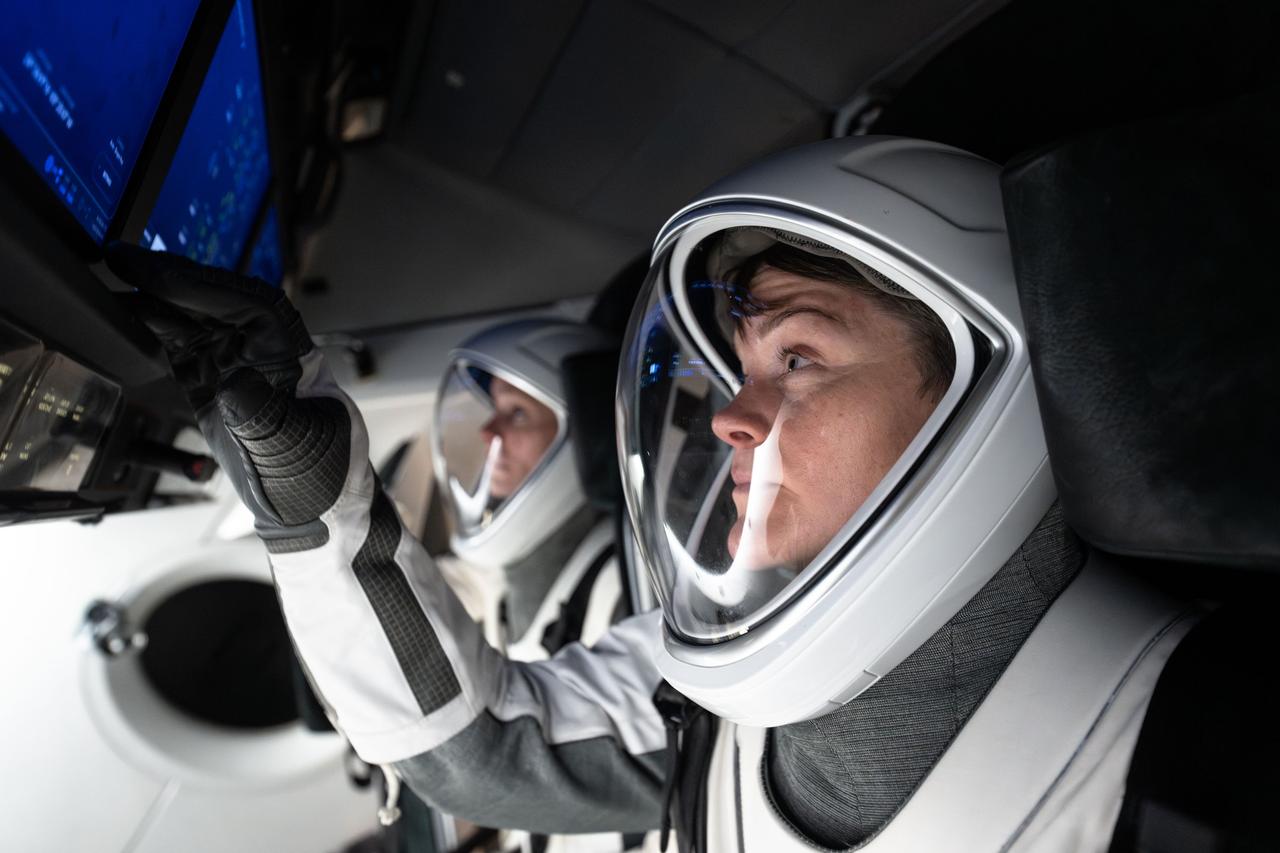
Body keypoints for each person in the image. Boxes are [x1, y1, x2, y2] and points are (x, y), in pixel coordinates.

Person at [109, 136, 1196, 853]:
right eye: (738, 369)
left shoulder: (1210, 765)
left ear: (985, 383)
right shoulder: (711, 690)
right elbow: (479, 749)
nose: (728, 415)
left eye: (799, 359)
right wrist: (311, 492)